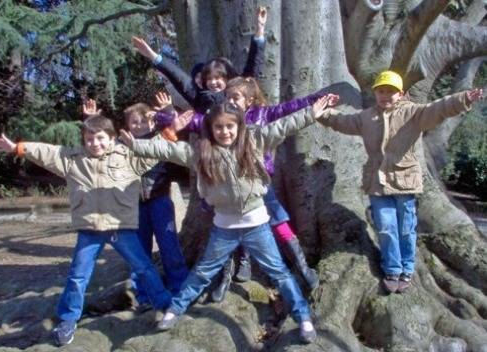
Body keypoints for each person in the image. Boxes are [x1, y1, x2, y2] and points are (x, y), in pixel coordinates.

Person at [120, 95, 339, 343]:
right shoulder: (201, 154)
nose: (225, 132)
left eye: (230, 126)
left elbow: (283, 125)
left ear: (239, 127)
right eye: (219, 127)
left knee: (279, 273)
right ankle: (174, 310)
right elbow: (168, 149)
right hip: (223, 228)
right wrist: (136, 145)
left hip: (257, 225)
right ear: (211, 129)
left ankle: (304, 318)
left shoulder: (255, 141)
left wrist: (311, 113)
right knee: (203, 272)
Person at [0, 115, 172, 346]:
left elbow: (154, 152)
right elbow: (47, 152)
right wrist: (18, 147)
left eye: (100, 138)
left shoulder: (127, 155)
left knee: (144, 267)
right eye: (89, 139)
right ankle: (68, 319)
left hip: (120, 227)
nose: (95, 143)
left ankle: (166, 305)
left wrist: (168, 133)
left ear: (112, 138)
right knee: (78, 276)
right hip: (89, 229)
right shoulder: (72, 159)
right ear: (83, 141)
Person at [316, 70, 483, 294]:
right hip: (377, 183)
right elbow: (342, 121)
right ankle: (392, 269)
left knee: (406, 228)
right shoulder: (366, 117)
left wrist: (462, 99)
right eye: (381, 91)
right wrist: (321, 113)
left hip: (405, 182)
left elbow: (438, 109)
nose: (385, 95)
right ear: (375, 93)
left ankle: (407, 268)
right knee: (386, 228)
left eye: (391, 92)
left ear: (401, 94)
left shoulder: (413, 113)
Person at [163, 77, 324, 301]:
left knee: (279, 222)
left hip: (258, 185)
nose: (230, 100)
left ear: (249, 100)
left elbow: (291, 110)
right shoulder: (218, 118)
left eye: (235, 97)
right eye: (228, 97)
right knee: (222, 234)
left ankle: (304, 270)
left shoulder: (262, 115)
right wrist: (165, 118)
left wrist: (318, 99)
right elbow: (192, 122)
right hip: (223, 188)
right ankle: (225, 279)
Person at [120, 95, 190, 310]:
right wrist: (92, 117)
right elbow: (98, 143)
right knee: (140, 251)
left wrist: (167, 111)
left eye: (143, 121)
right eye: (134, 122)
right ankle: (143, 294)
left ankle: (179, 288)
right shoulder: (123, 146)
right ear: (127, 125)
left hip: (160, 201)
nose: (139, 125)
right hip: (135, 207)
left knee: (169, 246)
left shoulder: (160, 141)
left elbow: (175, 133)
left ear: (152, 122)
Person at [131, 6, 268, 113]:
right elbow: (179, 78)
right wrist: (153, 56)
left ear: (228, 79)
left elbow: (253, 67)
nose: (213, 82)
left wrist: (260, 32)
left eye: (218, 78)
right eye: (208, 79)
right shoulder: (201, 99)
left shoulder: (239, 93)